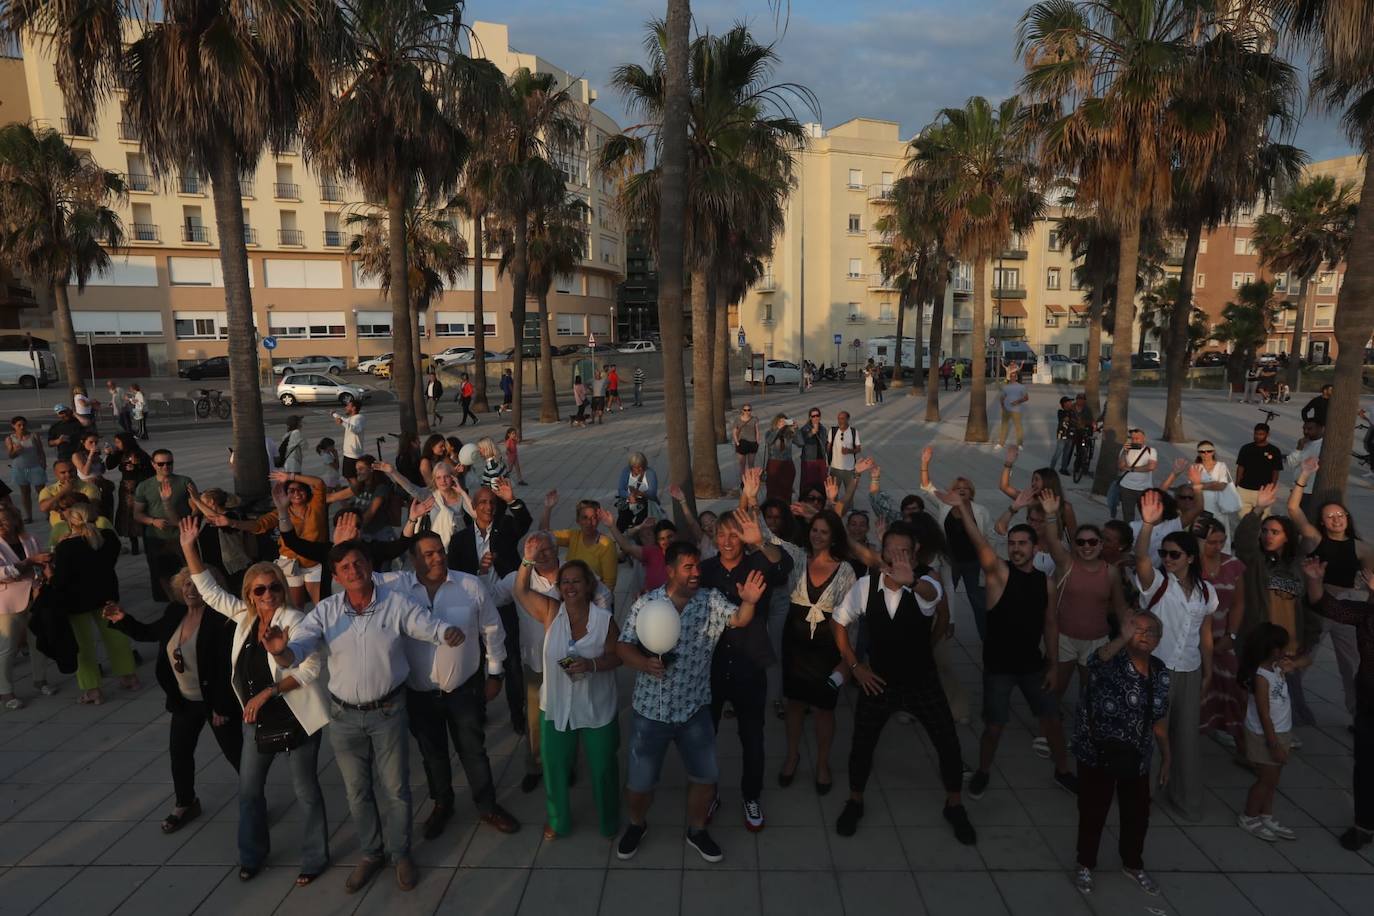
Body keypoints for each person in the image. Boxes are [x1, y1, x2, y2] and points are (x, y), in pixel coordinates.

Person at [263, 540, 465, 894]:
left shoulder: (395, 603)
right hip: (343, 717)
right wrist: (281, 653)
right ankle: (372, 853)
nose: (353, 571)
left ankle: (400, 854)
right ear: (336, 576)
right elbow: (299, 650)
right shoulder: (326, 611)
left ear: (369, 565)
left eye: (358, 563)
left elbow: (424, 624)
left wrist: (445, 632)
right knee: (357, 793)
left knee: (396, 789)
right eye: (344, 568)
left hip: (388, 712)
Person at [180, 519, 332, 885]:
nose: (268, 594)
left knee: (306, 792)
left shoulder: (295, 621)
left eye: (274, 587)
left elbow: (310, 667)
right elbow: (210, 591)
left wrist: (272, 685)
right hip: (256, 720)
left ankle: (314, 858)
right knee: (249, 792)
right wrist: (188, 548)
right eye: (260, 589)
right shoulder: (244, 619)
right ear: (250, 594)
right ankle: (251, 855)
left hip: (296, 717)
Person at [614, 543, 766, 863]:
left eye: (697, 566)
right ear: (670, 571)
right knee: (639, 785)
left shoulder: (710, 601)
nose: (697, 572)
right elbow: (623, 647)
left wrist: (749, 602)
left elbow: (739, 619)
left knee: (705, 779)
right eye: (688, 567)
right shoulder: (647, 604)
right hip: (650, 713)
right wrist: (643, 664)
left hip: (694, 711)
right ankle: (637, 824)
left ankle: (697, 831)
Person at [832, 522, 977, 844]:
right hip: (878, 682)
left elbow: (932, 597)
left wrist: (912, 583)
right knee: (862, 743)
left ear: (915, 553)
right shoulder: (866, 585)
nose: (898, 557)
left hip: (921, 680)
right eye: (892, 550)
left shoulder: (926, 581)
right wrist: (855, 666)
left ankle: (954, 805)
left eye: (905, 551)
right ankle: (855, 800)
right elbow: (838, 621)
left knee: (947, 741)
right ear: (882, 552)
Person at [381, 532, 519, 840]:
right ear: (412, 559)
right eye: (428, 554)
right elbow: (357, 576)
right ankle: (442, 804)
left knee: (474, 751)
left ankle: (487, 806)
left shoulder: (470, 586)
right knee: (433, 755)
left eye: (440, 551)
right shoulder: (397, 590)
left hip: (464, 691)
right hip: (419, 694)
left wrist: (495, 674)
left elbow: (492, 630)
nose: (438, 558)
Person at [938, 488, 1076, 795]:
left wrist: (1054, 666)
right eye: (1012, 544)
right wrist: (963, 508)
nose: (1016, 549)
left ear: (1034, 547)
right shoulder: (999, 574)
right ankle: (984, 771)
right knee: (994, 727)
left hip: (1033, 667)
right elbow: (979, 541)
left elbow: (1051, 625)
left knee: (1052, 722)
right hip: (998, 668)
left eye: (1022, 543)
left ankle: (1063, 770)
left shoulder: (1046, 583)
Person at [104, 567, 242, 835]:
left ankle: (254, 801)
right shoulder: (175, 612)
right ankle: (185, 802)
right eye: (186, 584)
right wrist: (122, 619)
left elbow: (227, 668)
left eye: (197, 584)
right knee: (180, 754)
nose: (190, 589)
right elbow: (149, 633)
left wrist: (223, 706)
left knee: (236, 755)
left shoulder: (221, 620)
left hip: (215, 704)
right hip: (184, 701)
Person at [495, 530, 614, 794]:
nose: (543, 555)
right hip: (536, 662)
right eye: (535, 551)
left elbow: (604, 595)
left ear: (556, 549)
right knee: (535, 721)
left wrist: (594, 625)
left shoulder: (573, 574)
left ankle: (567, 765)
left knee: (573, 711)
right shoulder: (518, 578)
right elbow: (492, 597)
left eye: (547, 549)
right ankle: (535, 767)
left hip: (570, 658)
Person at [514, 551, 623, 839]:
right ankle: (558, 820)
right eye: (565, 582)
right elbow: (521, 590)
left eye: (576, 581)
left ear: (588, 585)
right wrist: (527, 559)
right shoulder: (551, 612)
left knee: (603, 769)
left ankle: (609, 820)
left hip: (596, 707)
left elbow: (618, 656)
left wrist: (592, 665)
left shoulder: (604, 620)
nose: (570, 587)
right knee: (554, 768)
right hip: (556, 706)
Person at [700, 509, 793, 832]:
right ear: (713, 538)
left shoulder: (757, 564)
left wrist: (761, 542)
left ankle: (751, 796)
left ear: (743, 537)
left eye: (734, 535)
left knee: (752, 739)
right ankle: (708, 793)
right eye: (721, 535)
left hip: (749, 666)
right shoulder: (705, 570)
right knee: (704, 738)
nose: (727, 541)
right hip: (711, 667)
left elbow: (784, 565)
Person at [1070, 609, 1172, 896]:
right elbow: (1094, 661)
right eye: (1137, 630)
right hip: (1097, 752)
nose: (1144, 636)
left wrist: (1167, 757)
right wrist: (1121, 638)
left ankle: (1133, 864)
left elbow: (1159, 719)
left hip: (1136, 755)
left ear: (1158, 640)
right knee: (1093, 811)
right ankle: (1085, 864)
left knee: (1137, 814)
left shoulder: (1160, 672)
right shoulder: (1111, 660)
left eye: (1151, 632)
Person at [1134, 490, 1215, 822]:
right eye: (1164, 553)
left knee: (1186, 736)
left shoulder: (1206, 592)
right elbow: (1141, 559)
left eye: (1174, 554)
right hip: (1158, 669)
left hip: (1190, 669)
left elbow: (1205, 634)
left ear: (1190, 558)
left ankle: (1184, 797)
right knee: (1153, 732)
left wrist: (1208, 671)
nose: (1167, 559)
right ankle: (1143, 795)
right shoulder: (1158, 584)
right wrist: (1148, 526)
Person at [778, 509, 857, 794]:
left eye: (824, 531)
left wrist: (848, 660)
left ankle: (822, 763)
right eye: (814, 530)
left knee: (824, 709)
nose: (818, 536)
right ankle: (792, 755)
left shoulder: (846, 571)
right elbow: (766, 539)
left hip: (827, 650)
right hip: (795, 646)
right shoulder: (798, 558)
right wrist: (749, 496)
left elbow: (851, 620)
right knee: (795, 704)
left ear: (834, 536)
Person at [1286, 460, 1369, 727]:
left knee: (1352, 666)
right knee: (1301, 659)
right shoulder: (1315, 539)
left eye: (1340, 515)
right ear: (1322, 522)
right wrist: (1304, 475)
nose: (1336, 519)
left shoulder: (1361, 547)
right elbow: (1293, 509)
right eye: (1330, 516)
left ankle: (1360, 717)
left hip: (1347, 608)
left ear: (1347, 518)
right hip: (1317, 606)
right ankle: (1287, 710)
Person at [1233, 484, 1322, 733]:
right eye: (1265, 531)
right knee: (1254, 693)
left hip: (1288, 643)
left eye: (1275, 532)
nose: (1268, 536)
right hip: (1258, 639)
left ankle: (1281, 733)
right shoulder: (1257, 562)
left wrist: (1309, 639)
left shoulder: (1299, 566)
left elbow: (1309, 607)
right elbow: (1244, 543)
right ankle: (1252, 737)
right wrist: (1257, 510)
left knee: (1282, 694)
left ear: (1287, 537)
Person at [447, 480, 533, 735]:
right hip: (475, 611)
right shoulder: (460, 540)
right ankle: (480, 710)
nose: (488, 507)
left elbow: (524, 521)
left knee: (512, 661)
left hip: (504, 607)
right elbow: (454, 575)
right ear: (473, 507)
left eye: (492, 503)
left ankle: (517, 714)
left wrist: (511, 500)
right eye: (483, 502)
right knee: (476, 662)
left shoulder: (505, 529)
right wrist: (479, 571)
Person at [1300, 558, 1374, 851]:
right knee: (1365, 765)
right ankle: (1364, 825)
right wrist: (1314, 580)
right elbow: (1326, 606)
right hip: (1369, 702)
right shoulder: (1365, 613)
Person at [1039, 491, 1127, 705]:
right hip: (1064, 639)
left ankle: (1086, 725)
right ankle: (1049, 724)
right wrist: (1050, 515)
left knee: (1091, 695)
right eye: (1081, 542)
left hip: (1097, 641)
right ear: (1075, 545)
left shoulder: (1111, 572)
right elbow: (1052, 541)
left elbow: (1120, 607)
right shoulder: (1066, 564)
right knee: (1055, 690)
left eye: (1092, 542)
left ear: (1100, 544)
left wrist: (1128, 635)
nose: (1087, 547)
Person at [50, 503, 136, 704]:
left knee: (83, 645)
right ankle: (129, 677)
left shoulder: (66, 547)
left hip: (76, 602)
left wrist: (49, 573)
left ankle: (93, 689)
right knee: (116, 636)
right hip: (106, 594)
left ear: (71, 521)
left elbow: (60, 580)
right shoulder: (108, 538)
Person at [920, 446, 995, 638]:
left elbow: (989, 537)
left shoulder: (981, 511)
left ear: (971, 492)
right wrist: (925, 463)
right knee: (943, 596)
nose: (961, 490)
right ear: (951, 492)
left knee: (978, 601)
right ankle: (941, 629)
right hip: (949, 563)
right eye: (957, 488)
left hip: (973, 563)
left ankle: (988, 638)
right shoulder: (945, 505)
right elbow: (927, 487)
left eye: (965, 488)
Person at [1237, 622, 1302, 841]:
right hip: (1266, 735)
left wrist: (1292, 664)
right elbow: (1264, 715)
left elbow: (1306, 660)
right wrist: (1273, 744)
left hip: (1281, 730)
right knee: (1266, 780)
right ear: (1274, 650)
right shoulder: (1261, 677)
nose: (1287, 651)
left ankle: (1266, 814)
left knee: (1273, 779)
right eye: (1284, 647)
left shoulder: (1276, 667)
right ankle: (1249, 816)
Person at [1195, 517, 1247, 752]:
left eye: (1221, 541)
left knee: (1232, 687)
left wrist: (1231, 635)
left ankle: (1237, 738)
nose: (1217, 547)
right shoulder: (1188, 565)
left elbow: (1238, 604)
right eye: (1211, 542)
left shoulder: (1234, 565)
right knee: (1198, 690)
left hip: (1222, 639)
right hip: (1194, 642)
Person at [0, 508, 51, 708]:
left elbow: (40, 563)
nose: (1, 525)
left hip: (35, 596)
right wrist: (29, 562)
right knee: (7, 648)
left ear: (15, 520)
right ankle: (6, 691)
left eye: (4, 520)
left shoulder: (30, 539)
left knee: (38, 641)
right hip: (8, 603)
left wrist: (44, 567)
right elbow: (4, 574)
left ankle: (40, 680)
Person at [134, 448, 197, 602]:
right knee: (160, 572)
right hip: (156, 537)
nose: (165, 467)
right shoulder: (144, 486)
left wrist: (186, 523)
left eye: (169, 463)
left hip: (180, 535)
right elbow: (137, 514)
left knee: (187, 570)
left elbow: (196, 508)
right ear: (153, 464)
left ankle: (188, 598)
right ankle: (170, 601)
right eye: (161, 464)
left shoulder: (184, 482)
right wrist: (153, 521)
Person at [541, 493, 619, 591]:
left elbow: (609, 585)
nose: (589, 522)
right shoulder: (573, 536)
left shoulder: (607, 545)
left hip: (593, 597)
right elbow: (544, 536)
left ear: (598, 519)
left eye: (594, 518)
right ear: (578, 520)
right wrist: (547, 508)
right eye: (585, 518)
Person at [1000, 446, 1079, 540]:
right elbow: (1004, 487)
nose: (1033, 483)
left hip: (1054, 548)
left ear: (1048, 481)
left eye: (1036, 479)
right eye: (1032, 480)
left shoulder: (1065, 507)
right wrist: (1008, 464)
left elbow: (1074, 536)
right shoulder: (1030, 499)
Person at [1234, 423, 1284, 519]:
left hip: (1263, 491)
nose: (1257, 436)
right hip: (1245, 489)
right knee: (1243, 520)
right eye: (1256, 434)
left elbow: (1276, 471)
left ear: (1267, 435)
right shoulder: (1246, 448)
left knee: (1263, 520)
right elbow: (1240, 467)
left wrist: (1272, 488)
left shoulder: (1274, 450)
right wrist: (1237, 484)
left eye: (1261, 434)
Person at [6, 416, 46, 522]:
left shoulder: (34, 436)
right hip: (20, 469)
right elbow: (11, 455)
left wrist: (43, 465)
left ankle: (48, 512)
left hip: (35, 467)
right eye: (19, 425)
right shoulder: (10, 439)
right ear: (13, 426)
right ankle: (28, 516)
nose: (22, 427)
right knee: (25, 492)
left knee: (41, 491)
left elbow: (41, 451)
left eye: (23, 424)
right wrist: (16, 451)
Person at [1116, 428, 1157, 523]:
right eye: (1132, 438)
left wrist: (1132, 469)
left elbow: (1151, 466)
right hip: (1126, 487)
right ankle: (1129, 530)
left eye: (1137, 438)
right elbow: (1121, 466)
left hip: (1144, 488)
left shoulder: (1151, 451)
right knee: (1128, 515)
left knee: (1146, 515)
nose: (1134, 440)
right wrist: (1124, 452)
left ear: (1144, 438)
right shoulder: (1125, 449)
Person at [1286, 419, 1324, 518]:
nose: (1306, 431)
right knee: (1294, 518)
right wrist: (1299, 448)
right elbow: (1291, 463)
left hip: (1310, 491)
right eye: (1304, 429)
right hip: (1296, 488)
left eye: (1310, 429)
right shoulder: (1303, 443)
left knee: (1304, 519)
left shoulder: (1324, 445)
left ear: (1320, 429)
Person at [615, 452, 659, 532]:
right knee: (621, 523)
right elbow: (621, 490)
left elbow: (652, 493)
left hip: (645, 503)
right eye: (637, 467)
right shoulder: (626, 471)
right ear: (631, 467)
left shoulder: (650, 473)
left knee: (641, 523)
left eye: (642, 466)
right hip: (629, 502)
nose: (640, 469)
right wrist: (629, 496)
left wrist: (640, 493)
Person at [763, 415, 796, 503]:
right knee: (772, 491)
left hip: (787, 465)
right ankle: (771, 508)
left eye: (784, 421)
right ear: (776, 422)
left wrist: (796, 429)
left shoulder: (789, 433)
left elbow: (801, 443)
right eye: (780, 421)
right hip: (774, 464)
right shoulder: (769, 432)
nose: (782, 423)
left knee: (786, 492)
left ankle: (786, 509)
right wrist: (778, 429)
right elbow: (769, 441)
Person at [795, 408, 828, 495]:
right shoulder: (805, 429)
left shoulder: (823, 429)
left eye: (817, 415)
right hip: (809, 460)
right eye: (813, 416)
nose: (816, 417)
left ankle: (821, 499)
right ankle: (805, 500)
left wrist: (828, 460)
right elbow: (800, 443)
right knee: (808, 484)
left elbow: (825, 444)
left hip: (821, 460)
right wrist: (811, 433)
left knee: (822, 483)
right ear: (810, 417)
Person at [827, 411, 861, 491]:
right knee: (833, 493)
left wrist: (849, 451)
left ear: (847, 419)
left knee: (850, 492)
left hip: (849, 469)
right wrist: (827, 462)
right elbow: (828, 447)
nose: (840, 421)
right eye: (838, 418)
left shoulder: (853, 432)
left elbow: (859, 448)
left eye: (842, 418)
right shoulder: (832, 431)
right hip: (835, 468)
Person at [333, 399, 366, 481]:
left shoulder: (359, 418)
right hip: (348, 454)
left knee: (352, 478)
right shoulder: (352, 418)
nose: (346, 407)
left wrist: (342, 422)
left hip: (353, 454)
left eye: (348, 406)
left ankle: (357, 489)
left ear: (354, 408)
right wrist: (334, 414)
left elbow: (356, 429)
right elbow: (344, 419)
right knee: (348, 476)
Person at [995, 372, 1028, 449]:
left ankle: (1019, 444)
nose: (1013, 378)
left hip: (1016, 410)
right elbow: (1002, 398)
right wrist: (1002, 406)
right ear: (1010, 378)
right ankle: (1001, 443)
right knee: (1004, 427)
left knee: (1018, 427)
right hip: (1006, 410)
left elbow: (1026, 398)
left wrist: (1017, 401)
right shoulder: (1006, 387)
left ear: (1016, 377)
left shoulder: (1021, 387)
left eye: (1014, 376)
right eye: (1011, 376)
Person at [731, 404, 760, 484]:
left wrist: (757, 441)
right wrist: (737, 442)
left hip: (752, 443)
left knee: (751, 464)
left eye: (749, 410)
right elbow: (734, 432)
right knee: (742, 465)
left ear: (751, 410)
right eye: (745, 410)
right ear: (742, 410)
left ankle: (751, 481)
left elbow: (757, 431)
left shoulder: (754, 419)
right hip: (741, 443)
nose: (747, 411)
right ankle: (743, 482)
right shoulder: (737, 419)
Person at [1051, 397, 1076, 474]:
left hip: (1070, 435)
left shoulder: (1072, 412)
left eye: (1071, 402)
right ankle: (1051, 469)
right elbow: (1065, 419)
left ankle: (1063, 469)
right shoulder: (1061, 412)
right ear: (1065, 404)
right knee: (1058, 453)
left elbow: (1075, 421)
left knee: (1066, 454)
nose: (1071, 403)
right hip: (1062, 435)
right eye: (1069, 402)